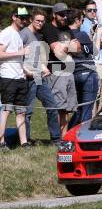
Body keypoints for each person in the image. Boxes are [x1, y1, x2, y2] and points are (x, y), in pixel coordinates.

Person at [20, 9, 61, 145]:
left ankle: (56, 139)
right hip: (28, 78)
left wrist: (43, 68)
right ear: (31, 19)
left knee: (52, 106)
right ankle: (25, 140)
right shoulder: (24, 34)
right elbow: (18, 56)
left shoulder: (39, 35)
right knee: (28, 111)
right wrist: (26, 72)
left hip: (39, 77)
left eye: (42, 21)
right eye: (37, 20)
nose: (40, 23)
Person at [41, 3, 80, 136]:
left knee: (67, 108)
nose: (65, 16)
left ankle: (64, 137)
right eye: (61, 14)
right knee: (58, 106)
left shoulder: (67, 29)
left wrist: (66, 46)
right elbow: (57, 51)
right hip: (55, 70)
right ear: (54, 15)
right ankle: (56, 137)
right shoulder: (48, 28)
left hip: (68, 71)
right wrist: (70, 46)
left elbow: (78, 49)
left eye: (66, 14)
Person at [0, 7, 31, 149]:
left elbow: (18, 58)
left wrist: (25, 71)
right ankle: (1, 142)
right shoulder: (6, 33)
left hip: (20, 78)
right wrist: (21, 52)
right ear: (14, 17)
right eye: (21, 17)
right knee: (6, 110)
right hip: (8, 77)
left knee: (21, 111)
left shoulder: (18, 35)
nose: (24, 20)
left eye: (26, 18)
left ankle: (24, 142)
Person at [67, 10, 99, 128]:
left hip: (74, 74)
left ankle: (69, 132)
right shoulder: (82, 35)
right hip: (88, 74)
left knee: (79, 109)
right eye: (82, 19)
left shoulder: (63, 35)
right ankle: (83, 135)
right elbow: (95, 51)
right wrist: (97, 34)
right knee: (86, 109)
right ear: (77, 20)